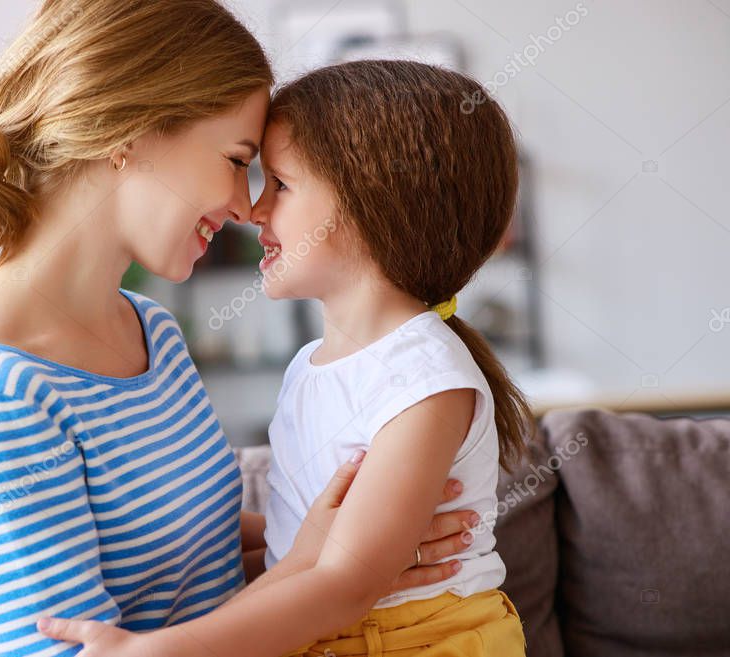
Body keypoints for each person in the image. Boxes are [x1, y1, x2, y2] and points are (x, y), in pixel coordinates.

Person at [0, 2, 477, 654]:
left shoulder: (150, 331)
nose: (248, 207)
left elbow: (187, 570)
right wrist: (317, 569)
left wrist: (365, 544)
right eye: (236, 158)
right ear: (127, 134)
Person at [38, 60, 532, 657]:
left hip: (420, 639)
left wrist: (156, 650)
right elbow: (297, 540)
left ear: (374, 202)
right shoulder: (309, 367)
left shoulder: (426, 379)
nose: (253, 211)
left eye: (281, 184)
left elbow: (345, 583)